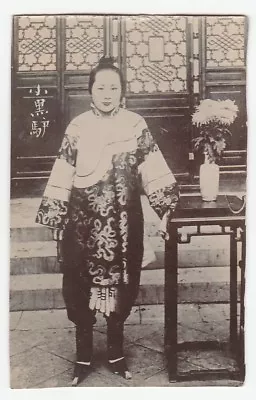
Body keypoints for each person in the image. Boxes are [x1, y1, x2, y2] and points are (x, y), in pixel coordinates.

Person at [35, 56, 179, 386]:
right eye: (100, 87)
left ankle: (117, 355)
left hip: (125, 223)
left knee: (124, 287)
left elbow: (152, 170)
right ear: (90, 91)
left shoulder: (135, 124)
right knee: (78, 286)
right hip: (82, 225)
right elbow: (64, 170)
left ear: (122, 91)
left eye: (114, 87)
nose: (107, 93)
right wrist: (57, 217)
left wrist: (166, 207)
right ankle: (82, 357)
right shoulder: (79, 127)